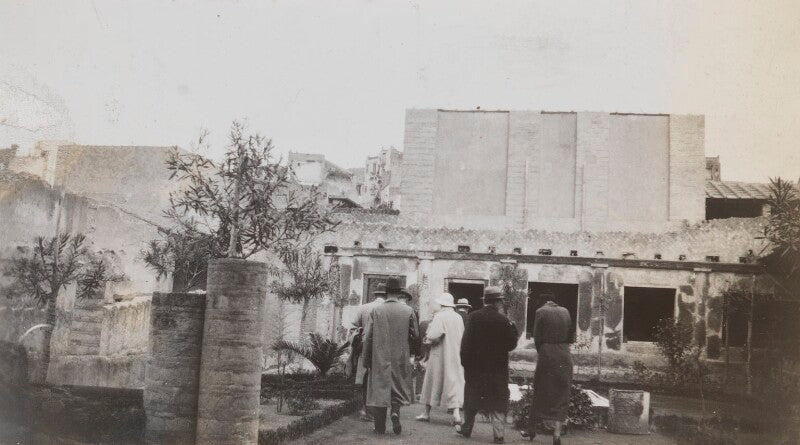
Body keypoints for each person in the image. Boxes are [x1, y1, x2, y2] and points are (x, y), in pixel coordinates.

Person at [457, 286, 518, 444]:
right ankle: (498, 435)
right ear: (498, 302)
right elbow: (511, 345)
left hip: (475, 368)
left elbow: (465, 344)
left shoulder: (473, 317)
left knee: (471, 397)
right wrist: (514, 329)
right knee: (498, 400)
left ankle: (467, 428)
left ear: (485, 301)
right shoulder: (503, 320)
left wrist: (465, 363)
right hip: (497, 369)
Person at [363, 278, 421, 435]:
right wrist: (413, 354)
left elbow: (368, 337)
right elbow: (416, 335)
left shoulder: (376, 311)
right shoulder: (408, 311)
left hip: (379, 355)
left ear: (386, 292)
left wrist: (366, 358)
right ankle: (395, 412)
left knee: (379, 389)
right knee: (397, 385)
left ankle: (380, 426)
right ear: (399, 292)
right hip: (400, 355)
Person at [521, 299, 574, 445]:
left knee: (540, 390)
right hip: (564, 354)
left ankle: (531, 429)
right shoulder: (566, 311)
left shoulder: (541, 311)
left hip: (547, 354)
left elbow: (537, 338)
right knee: (562, 393)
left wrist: (543, 351)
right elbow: (571, 337)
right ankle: (557, 435)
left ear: (543, 302)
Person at [415, 292, 465, 425]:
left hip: (439, 354)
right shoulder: (458, 317)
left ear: (442, 304)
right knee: (454, 381)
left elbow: (434, 335)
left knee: (433, 381)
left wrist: (427, 339)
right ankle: (456, 414)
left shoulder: (440, 316)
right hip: (455, 354)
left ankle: (426, 412)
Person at [346, 283, 386, 422]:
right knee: (380, 379)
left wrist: (360, 334)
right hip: (383, 350)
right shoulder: (388, 309)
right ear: (386, 295)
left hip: (365, 348)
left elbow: (352, 328)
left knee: (365, 378)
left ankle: (366, 410)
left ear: (375, 295)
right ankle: (378, 411)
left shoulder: (364, 308)